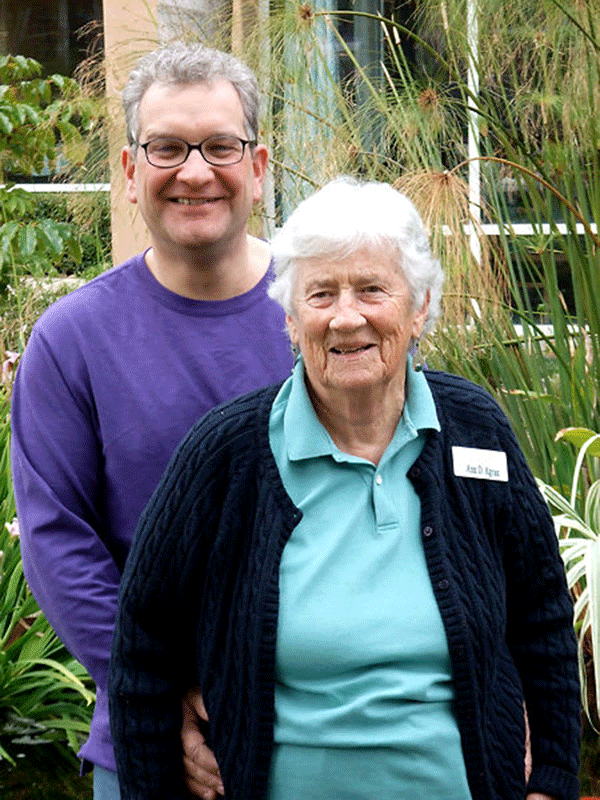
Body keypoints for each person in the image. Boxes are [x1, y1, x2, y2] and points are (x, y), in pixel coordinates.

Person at [108, 176, 581, 800]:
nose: (346, 316)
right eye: (321, 293)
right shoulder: (227, 454)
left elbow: (541, 614)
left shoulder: (476, 429)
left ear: (419, 306)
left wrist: (551, 778)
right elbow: (143, 649)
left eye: (371, 289)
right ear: (290, 316)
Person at [10, 41, 294, 800]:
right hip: (153, 747)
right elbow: (57, 540)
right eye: (166, 147)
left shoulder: (327, 318)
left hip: (320, 726)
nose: (195, 171)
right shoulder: (72, 340)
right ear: (132, 171)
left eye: (220, 147)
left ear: (258, 168)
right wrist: (159, 689)